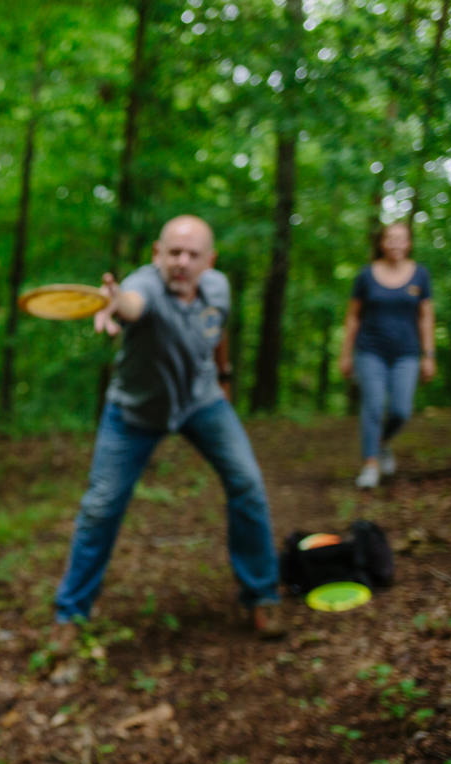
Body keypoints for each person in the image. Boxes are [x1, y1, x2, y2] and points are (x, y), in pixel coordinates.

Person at [52, 215, 285, 640]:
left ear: (209, 260)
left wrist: (225, 376)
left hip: (202, 401)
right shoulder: (145, 287)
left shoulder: (218, 287)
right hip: (135, 413)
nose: (181, 261)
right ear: (157, 254)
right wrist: (114, 302)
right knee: (101, 507)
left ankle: (263, 595)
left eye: (192, 254)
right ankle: (70, 615)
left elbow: (217, 331)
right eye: (173, 252)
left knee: (248, 485)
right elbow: (131, 304)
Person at [337, 221, 436, 489]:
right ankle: (370, 463)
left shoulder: (420, 276)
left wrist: (429, 355)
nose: (395, 243)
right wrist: (345, 355)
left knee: (401, 410)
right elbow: (353, 318)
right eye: (390, 238)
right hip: (370, 351)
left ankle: (382, 442)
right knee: (373, 405)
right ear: (382, 243)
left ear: (409, 243)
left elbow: (425, 317)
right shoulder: (366, 276)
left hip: (407, 352)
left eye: (400, 238)